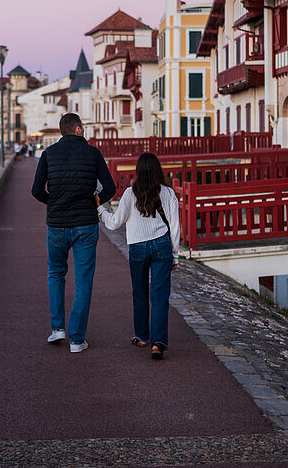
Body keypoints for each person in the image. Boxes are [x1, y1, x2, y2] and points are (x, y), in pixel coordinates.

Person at [31, 112, 117, 353]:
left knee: (56, 273)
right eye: (83, 127)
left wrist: (54, 203)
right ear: (78, 129)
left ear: (62, 131)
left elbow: (37, 190)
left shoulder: (48, 154)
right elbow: (110, 187)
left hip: (57, 225)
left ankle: (57, 329)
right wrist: (95, 202)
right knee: (84, 280)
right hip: (85, 225)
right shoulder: (92, 153)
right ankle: (77, 340)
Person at [98, 152, 180, 360]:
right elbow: (175, 227)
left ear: (138, 171)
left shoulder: (129, 194)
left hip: (137, 247)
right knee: (160, 296)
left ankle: (142, 336)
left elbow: (114, 223)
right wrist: (175, 255)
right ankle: (158, 343)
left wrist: (100, 210)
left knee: (140, 292)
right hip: (162, 245)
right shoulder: (168, 193)